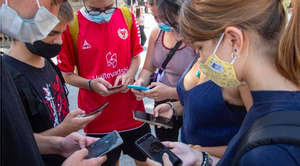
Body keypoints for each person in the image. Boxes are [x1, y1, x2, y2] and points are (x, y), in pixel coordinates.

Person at [148, 0, 300, 165]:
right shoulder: (271, 106)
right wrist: (201, 159)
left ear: (234, 40)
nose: (201, 58)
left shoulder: (274, 151)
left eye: (200, 48)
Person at [0, 0, 106, 165]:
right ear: (27, 29)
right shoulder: (8, 78)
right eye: (51, 34)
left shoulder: (48, 62)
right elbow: (13, 143)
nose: (60, 41)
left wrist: (60, 143)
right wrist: (64, 130)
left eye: (62, 33)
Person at [149, 0, 252, 158]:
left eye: (178, 27)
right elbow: (204, 104)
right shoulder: (202, 53)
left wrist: (202, 153)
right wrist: (174, 107)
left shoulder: (239, 73)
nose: (177, 37)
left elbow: (256, 143)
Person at [57, 0, 151, 165]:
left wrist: (130, 74)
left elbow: (136, 55)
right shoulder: (72, 25)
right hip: (98, 120)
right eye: (94, 10)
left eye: (108, 8)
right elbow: (66, 74)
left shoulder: (126, 16)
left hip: (134, 115)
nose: (102, 14)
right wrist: (90, 84)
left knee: (147, 161)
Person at [131, 0, 195, 142]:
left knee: (190, 150)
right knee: (165, 148)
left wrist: (171, 92)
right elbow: (148, 68)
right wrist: (141, 81)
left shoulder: (194, 39)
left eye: (163, 17)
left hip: (188, 104)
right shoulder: (156, 33)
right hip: (161, 102)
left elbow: (204, 87)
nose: (159, 22)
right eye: (155, 17)